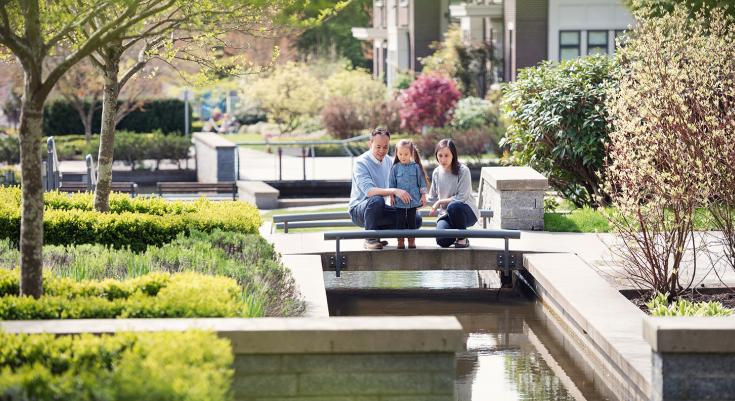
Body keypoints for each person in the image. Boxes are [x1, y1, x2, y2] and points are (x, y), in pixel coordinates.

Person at [348, 127, 422, 250]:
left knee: (415, 219)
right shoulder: (360, 162)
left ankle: (376, 233)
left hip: (380, 209)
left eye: (385, 147)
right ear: (370, 144)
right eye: (378, 146)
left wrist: (411, 201)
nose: (382, 150)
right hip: (359, 210)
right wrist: (394, 191)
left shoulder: (388, 161)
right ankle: (370, 239)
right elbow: (369, 191)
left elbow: (398, 184)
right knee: (377, 200)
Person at [428, 139, 479, 248]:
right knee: (442, 241)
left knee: (454, 206)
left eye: (447, 155)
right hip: (446, 214)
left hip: (466, 212)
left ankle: (462, 239)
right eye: (440, 155)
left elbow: (462, 197)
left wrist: (440, 202)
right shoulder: (436, 172)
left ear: (453, 155)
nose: (443, 159)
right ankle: (457, 233)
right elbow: (432, 198)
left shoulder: (463, 170)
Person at [389, 139, 428, 249]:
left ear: (411, 153)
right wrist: (391, 196)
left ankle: (411, 241)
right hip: (399, 201)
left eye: (406, 154)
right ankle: (400, 241)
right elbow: (391, 184)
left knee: (412, 220)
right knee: (400, 221)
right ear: (397, 154)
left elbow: (421, 182)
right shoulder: (395, 168)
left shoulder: (416, 167)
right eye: (400, 154)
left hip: (413, 200)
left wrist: (423, 196)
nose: (403, 156)